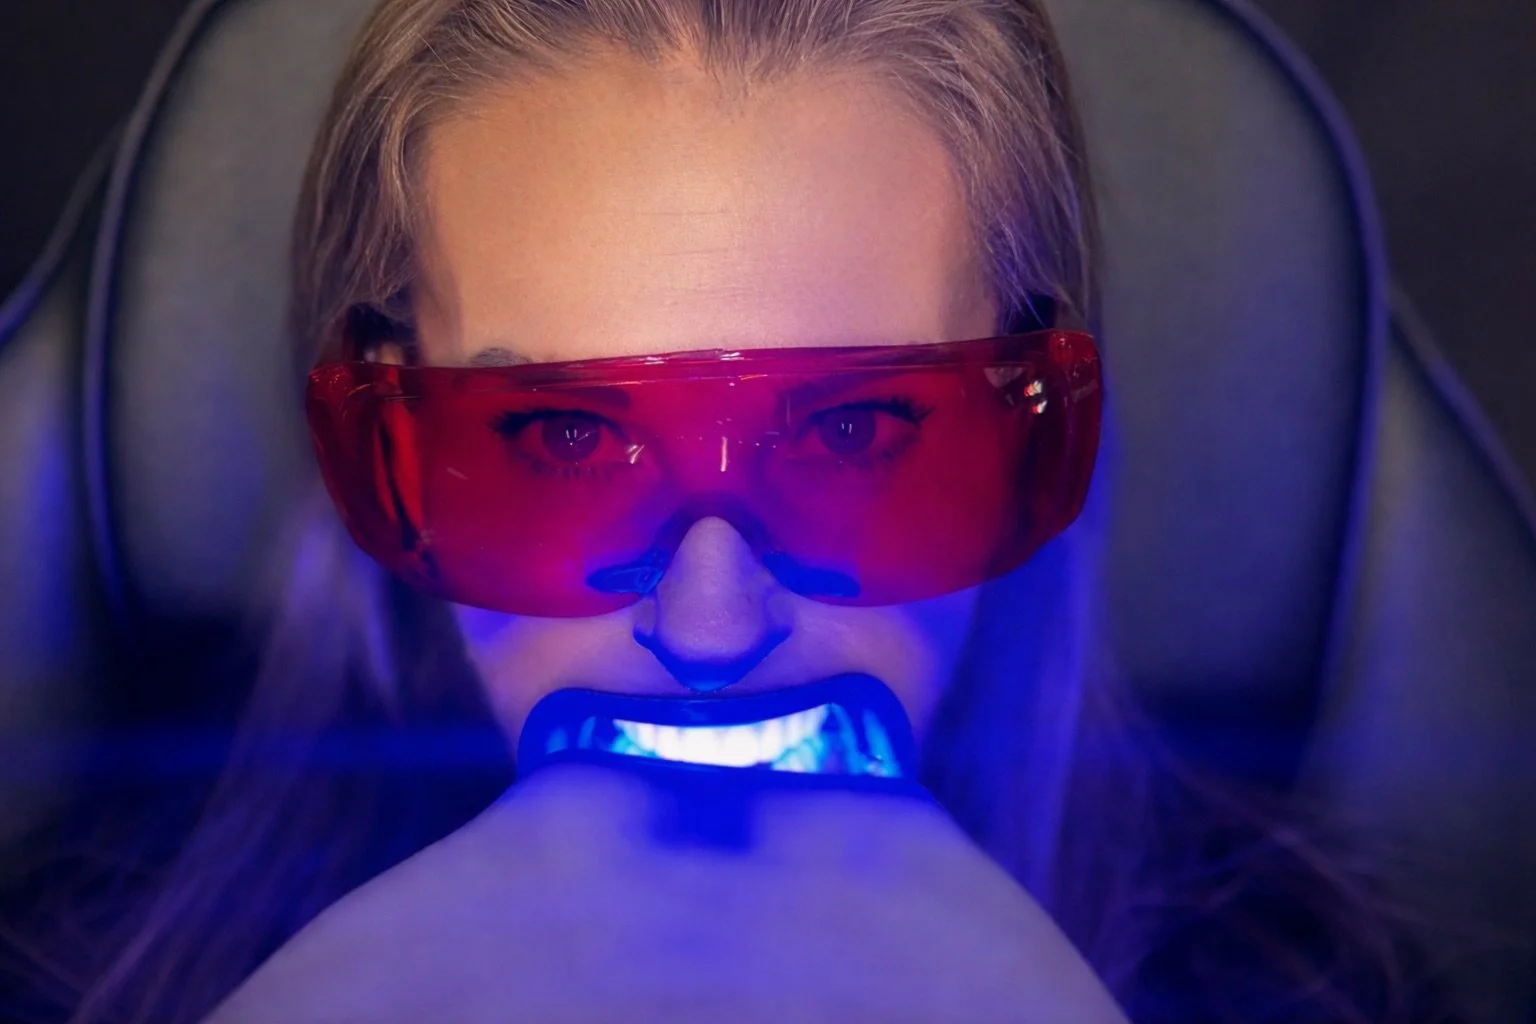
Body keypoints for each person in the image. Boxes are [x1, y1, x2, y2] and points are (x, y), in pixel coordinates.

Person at [0, 0, 1464, 1020]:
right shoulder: (78, 980)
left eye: (857, 432)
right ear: (384, 449)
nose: (710, 628)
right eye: (564, 437)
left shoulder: (1324, 994)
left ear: (1036, 432)